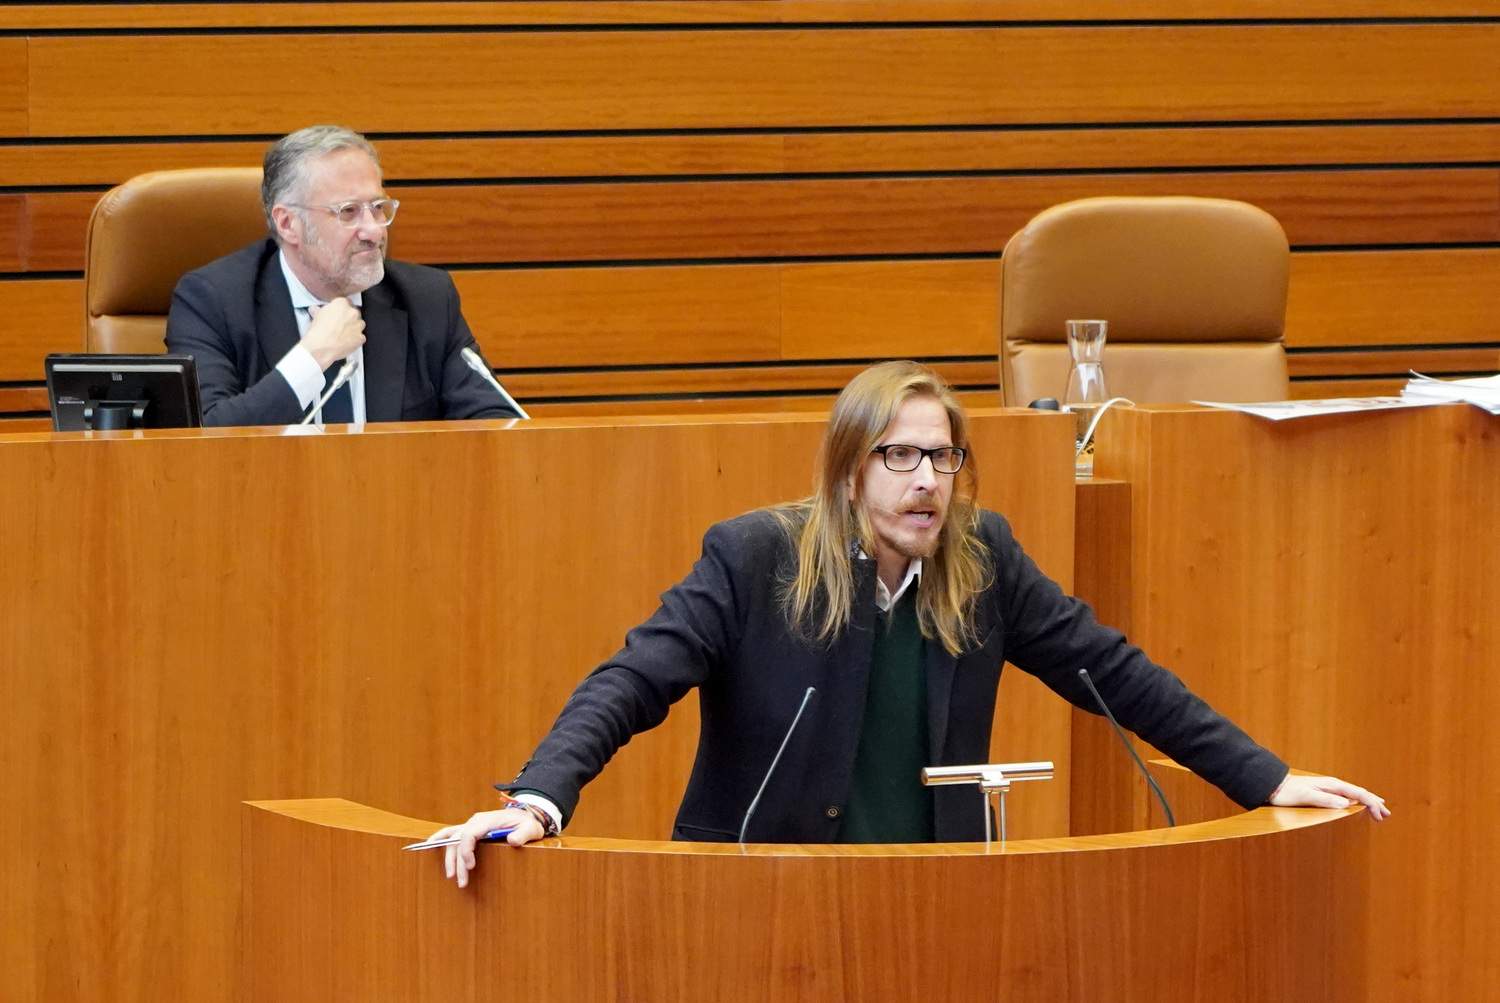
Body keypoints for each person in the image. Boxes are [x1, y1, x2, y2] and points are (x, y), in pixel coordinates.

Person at [431, 361, 1388, 886]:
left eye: (944, 457)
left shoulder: (984, 563)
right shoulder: (754, 557)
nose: (927, 479)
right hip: (757, 900)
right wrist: (536, 801)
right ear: (850, 471)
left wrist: (1267, 776)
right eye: (899, 456)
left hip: (932, 900)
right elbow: (630, 682)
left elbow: (1114, 671)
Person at [165, 125, 524, 427]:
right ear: (289, 223)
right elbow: (206, 437)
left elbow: (494, 421)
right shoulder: (212, 301)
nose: (374, 231)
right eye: (348, 212)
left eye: (378, 208)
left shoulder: (427, 299)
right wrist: (311, 358)